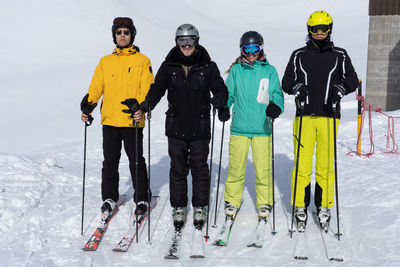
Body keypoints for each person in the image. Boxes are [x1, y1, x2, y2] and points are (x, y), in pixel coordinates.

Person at [139, 24, 229, 230]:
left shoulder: (209, 66)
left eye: (190, 41)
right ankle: (179, 206)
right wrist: (146, 105)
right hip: (176, 127)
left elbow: (220, 88)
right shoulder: (168, 66)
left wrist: (221, 99)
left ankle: (200, 206)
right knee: (178, 169)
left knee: (199, 169)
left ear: (196, 41)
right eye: (182, 41)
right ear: (176, 42)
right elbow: (157, 89)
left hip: (200, 127)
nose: (186, 45)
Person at [282, 11, 359, 232]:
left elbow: (352, 79)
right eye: (315, 29)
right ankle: (300, 206)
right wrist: (296, 87)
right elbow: (286, 81)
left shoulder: (340, 55)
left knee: (325, 166)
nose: (319, 33)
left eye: (323, 29)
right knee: (302, 165)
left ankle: (324, 206)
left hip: (328, 117)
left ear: (329, 30)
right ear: (309, 30)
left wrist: (340, 89)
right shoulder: (298, 55)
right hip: (304, 117)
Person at [80, 17, 154, 219]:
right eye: (119, 32)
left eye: (126, 32)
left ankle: (142, 197)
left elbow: (147, 88)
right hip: (110, 120)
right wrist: (89, 104)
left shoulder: (142, 60)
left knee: (136, 161)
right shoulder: (105, 61)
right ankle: (109, 197)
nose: (122, 35)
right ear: (114, 35)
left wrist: (140, 107)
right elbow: (97, 86)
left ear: (132, 35)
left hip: (132, 120)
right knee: (109, 161)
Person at [222, 31, 284, 222]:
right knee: (235, 168)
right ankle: (232, 200)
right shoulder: (236, 71)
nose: (251, 53)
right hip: (239, 128)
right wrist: (223, 107)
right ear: (241, 50)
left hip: (262, 129)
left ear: (261, 48)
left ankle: (264, 201)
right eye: (246, 49)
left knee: (263, 169)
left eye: (254, 48)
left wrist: (276, 106)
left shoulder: (269, 70)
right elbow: (228, 94)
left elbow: (277, 94)